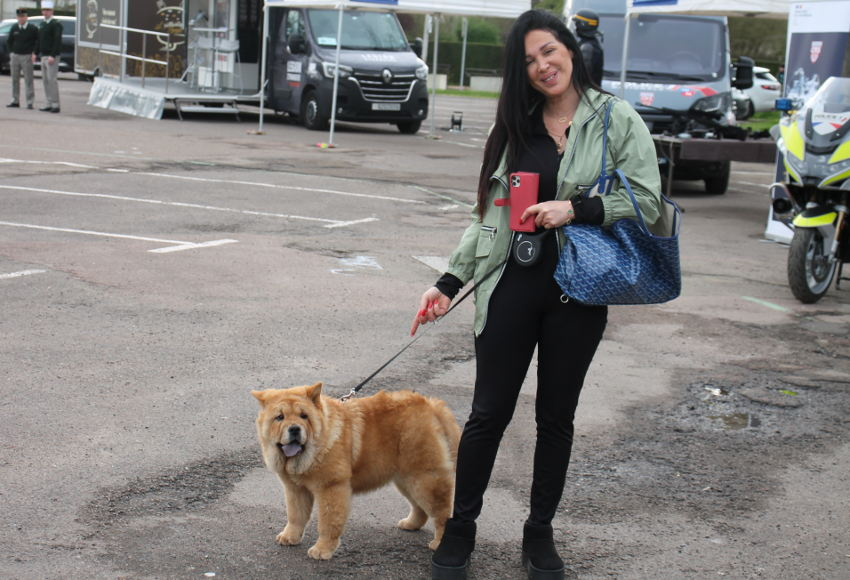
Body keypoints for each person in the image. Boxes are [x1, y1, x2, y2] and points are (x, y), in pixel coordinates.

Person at [411, 9, 662, 580]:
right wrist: (448, 282)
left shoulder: (615, 119)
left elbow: (649, 201)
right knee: (487, 414)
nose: (542, 65)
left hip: (580, 289)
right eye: (528, 60)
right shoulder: (515, 129)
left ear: (570, 50)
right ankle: (461, 531)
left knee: (556, 417)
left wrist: (578, 208)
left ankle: (539, 534)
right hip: (512, 289)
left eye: (549, 51)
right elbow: (487, 217)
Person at [6, 8, 39, 109]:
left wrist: (34, 53)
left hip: (27, 56)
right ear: (17, 17)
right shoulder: (15, 27)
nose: (21, 19)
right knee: (14, 79)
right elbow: (9, 41)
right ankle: (15, 100)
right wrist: (11, 52)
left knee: (28, 80)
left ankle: (30, 101)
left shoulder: (32, 28)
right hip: (15, 56)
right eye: (19, 17)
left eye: (23, 16)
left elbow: (37, 41)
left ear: (26, 17)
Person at [35, 0, 62, 113]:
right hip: (43, 55)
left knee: (52, 80)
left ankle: (55, 104)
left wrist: (53, 55)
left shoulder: (56, 24)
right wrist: (35, 52)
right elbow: (39, 40)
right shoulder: (42, 24)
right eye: (44, 10)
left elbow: (57, 40)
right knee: (45, 80)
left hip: (52, 56)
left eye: (48, 10)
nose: (45, 12)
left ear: (52, 11)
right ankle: (48, 103)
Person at [572, 9, 603, 87]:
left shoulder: (587, 48)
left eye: (576, 23)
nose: (575, 27)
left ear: (583, 25)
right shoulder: (593, 44)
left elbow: (581, 78)